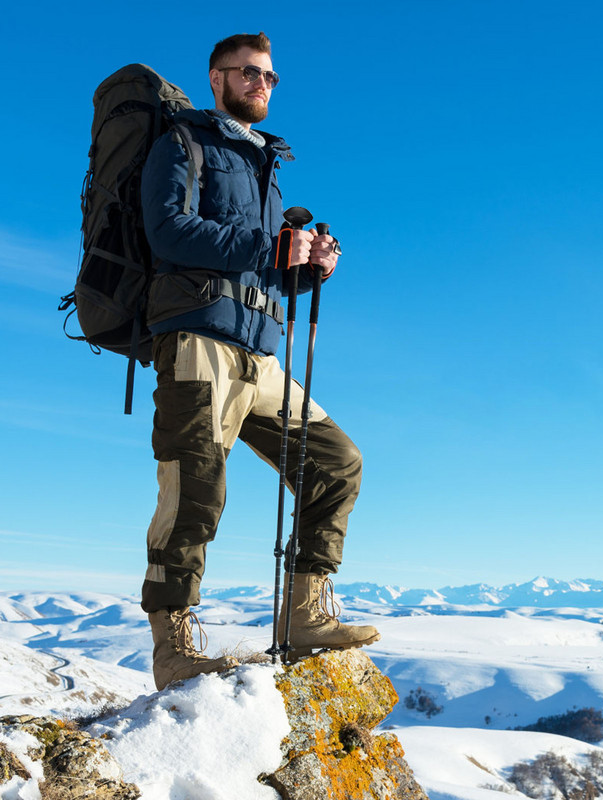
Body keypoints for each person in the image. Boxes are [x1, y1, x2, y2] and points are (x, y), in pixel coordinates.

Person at [139, 31, 378, 690]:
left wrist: (306, 268)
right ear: (217, 78)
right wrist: (272, 248)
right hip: (198, 342)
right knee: (195, 486)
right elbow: (168, 230)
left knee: (336, 461)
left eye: (270, 76)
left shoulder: (265, 165)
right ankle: (174, 648)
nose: (261, 84)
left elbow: (261, 270)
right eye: (248, 73)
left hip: (258, 352)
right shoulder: (183, 144)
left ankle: (305, 614)